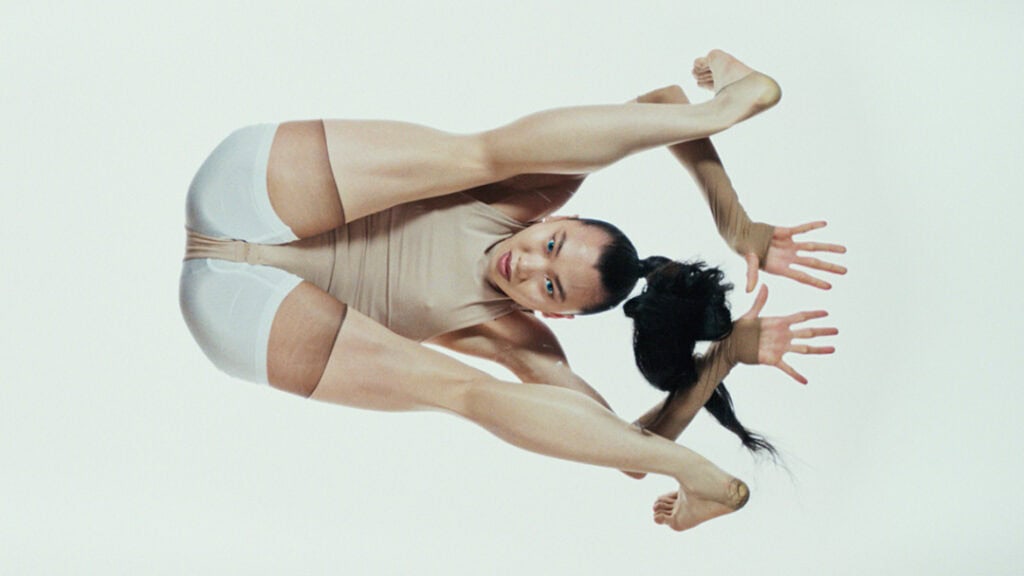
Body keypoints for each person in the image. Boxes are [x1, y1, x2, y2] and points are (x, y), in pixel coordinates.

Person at [179, 50, 844, 531]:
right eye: (549, 245)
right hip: (249, 191)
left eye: (549, 288)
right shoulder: (518, 194)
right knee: (484, 154)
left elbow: (623, 446)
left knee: (467, 394)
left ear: (554, 314)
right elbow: (662, 106)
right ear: (553, 218)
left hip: (241, 319)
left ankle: (698, 473)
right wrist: (734, 220)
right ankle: (731, 107)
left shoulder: (517, 339)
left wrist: (719, 362)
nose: (527, 267)